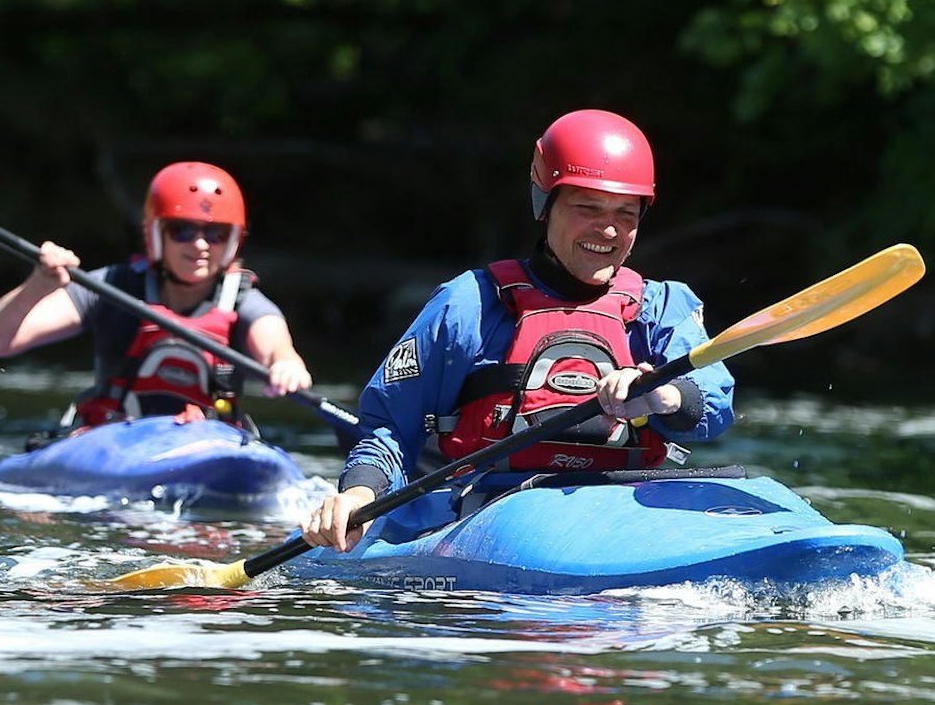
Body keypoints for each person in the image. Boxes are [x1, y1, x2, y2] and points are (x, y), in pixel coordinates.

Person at [303, 108, 736, 551]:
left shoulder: (661, 307)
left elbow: (715, 407)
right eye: (587, 207)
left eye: (626, 213)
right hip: (493, 514)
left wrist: (662, 395)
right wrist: (359, 493)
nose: (608, 229)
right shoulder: (468, 304)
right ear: (545, 204)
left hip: (622, 509)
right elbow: (392, 426)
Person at [0, 160, 313, 430]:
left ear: (233, 241)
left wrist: (286, 364)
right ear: (155, 234)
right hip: (112, 439)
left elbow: (276, 347)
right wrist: (39, 284)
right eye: (183, 230)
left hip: (208, 441)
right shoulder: (112, 287)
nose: (200, 245)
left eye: (216, 233)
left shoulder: (243, 301)